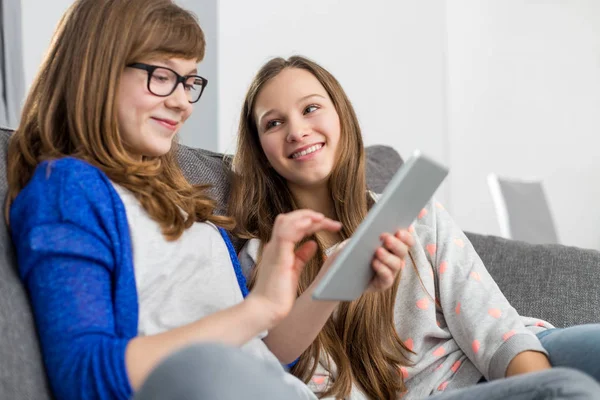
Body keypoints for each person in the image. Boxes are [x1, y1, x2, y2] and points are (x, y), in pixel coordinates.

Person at [5, 1, 359, 399]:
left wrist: (330, 281)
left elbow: (263, 355)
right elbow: (84, 375)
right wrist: (255, 310)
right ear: (97, 70)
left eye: (189, 82)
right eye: (161, 76)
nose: (183, 103)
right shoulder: (67, 189)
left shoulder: (176, 195)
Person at [229, 55, 600, 399]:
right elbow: (289, 368)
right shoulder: (267, 257)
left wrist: (537, 384)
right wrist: (331, 284)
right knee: (566, 389)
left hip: (510, 353)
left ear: (341, 115)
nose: (296, 131)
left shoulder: (416, 214)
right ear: (260, 147)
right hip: (438, 392)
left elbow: (494, 326)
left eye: (310, 108)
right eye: (273, 123)